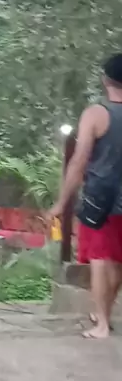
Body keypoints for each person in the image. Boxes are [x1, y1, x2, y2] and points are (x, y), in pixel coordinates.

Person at [49, 54, 122, 339]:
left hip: (99, 199)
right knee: (117, 261)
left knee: (100, 259)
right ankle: (102, 313)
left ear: (105, 80)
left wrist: (61, 203)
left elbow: (78, 162)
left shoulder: (96, 114)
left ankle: (101, 324)